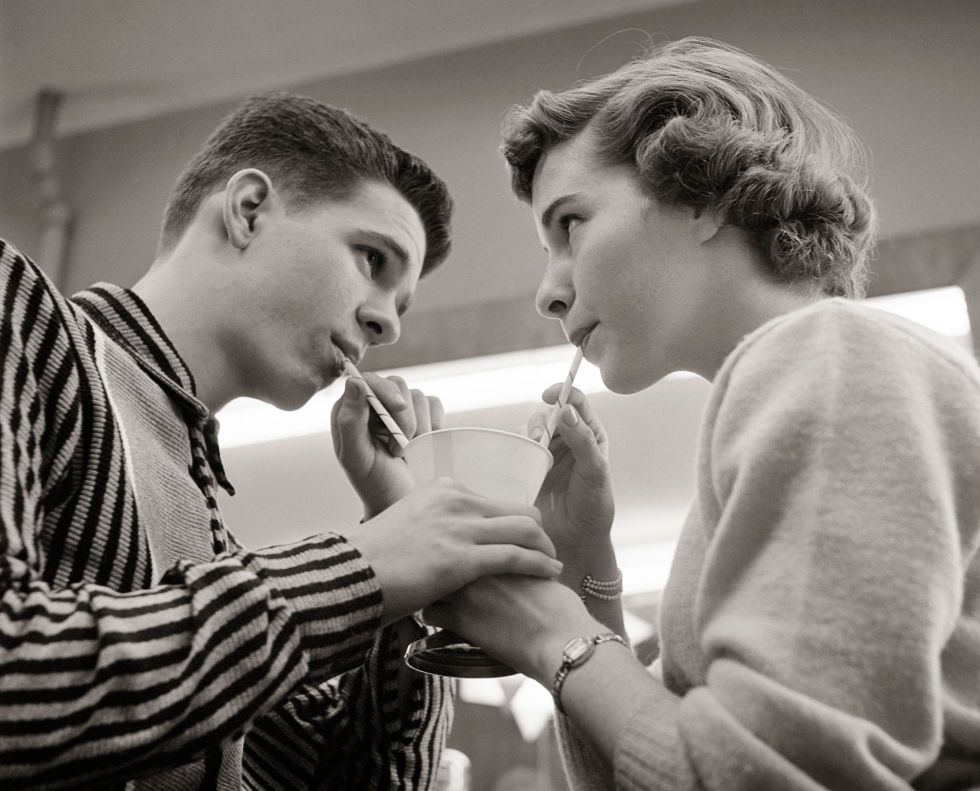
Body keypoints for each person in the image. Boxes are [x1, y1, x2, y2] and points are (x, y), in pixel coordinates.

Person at [422, 37, 980, 790]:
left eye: (569, 224)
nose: (547, 291)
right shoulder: (795, 393)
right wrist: (584, 583)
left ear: (699, 192)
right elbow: (668, 770)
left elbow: (765, 775)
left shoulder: (835, 356)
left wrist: (550, 632)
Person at [0, 92, 562, 790]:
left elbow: (358, 780)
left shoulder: (211, 540)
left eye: (401, 303)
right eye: (371, 259)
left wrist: (394, 542)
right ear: (249, 211)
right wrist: (363, 566)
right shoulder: (12, 302)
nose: (387, 323)